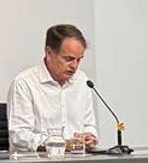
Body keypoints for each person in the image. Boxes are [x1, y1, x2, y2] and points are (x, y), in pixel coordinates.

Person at [8, 23, 98, 153]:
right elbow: (19, 136)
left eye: (79, 60)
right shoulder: (24, 83)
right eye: (69, 59)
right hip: (37, 162)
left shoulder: (82, 80)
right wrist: (60, 144)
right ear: (49, 53)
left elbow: (88, 124)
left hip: (77, 160)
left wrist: (89, 136)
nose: (74, 66)